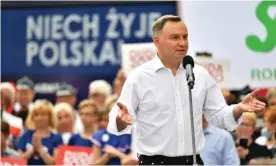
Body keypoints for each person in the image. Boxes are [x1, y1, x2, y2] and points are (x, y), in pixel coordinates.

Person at [107, 15, 266, 165]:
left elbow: (218, 115)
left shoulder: (200, 74)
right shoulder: (139, 77)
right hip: (154, 162)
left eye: (185, 37)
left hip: (194, 161)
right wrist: (121, 119)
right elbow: (118, 121)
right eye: (175, 38)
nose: (182, 43)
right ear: (157, 41)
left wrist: (239, 108)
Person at [17, 100, 63, 165]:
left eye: (43, 114)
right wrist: (32, 150)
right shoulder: (26, 135)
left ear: (50, 117)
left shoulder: (57, 138)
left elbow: (55, 163)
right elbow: (18, 161)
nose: (39, 117)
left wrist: (40, 148)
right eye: (36, 114)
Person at [92, 97, 132, 165]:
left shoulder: (133, 135)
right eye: (112, 111)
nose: (117, 115)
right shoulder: (99, 134)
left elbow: (135, 163)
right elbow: (95, 164)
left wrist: (117, 153)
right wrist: (107, 155)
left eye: (119, 111)